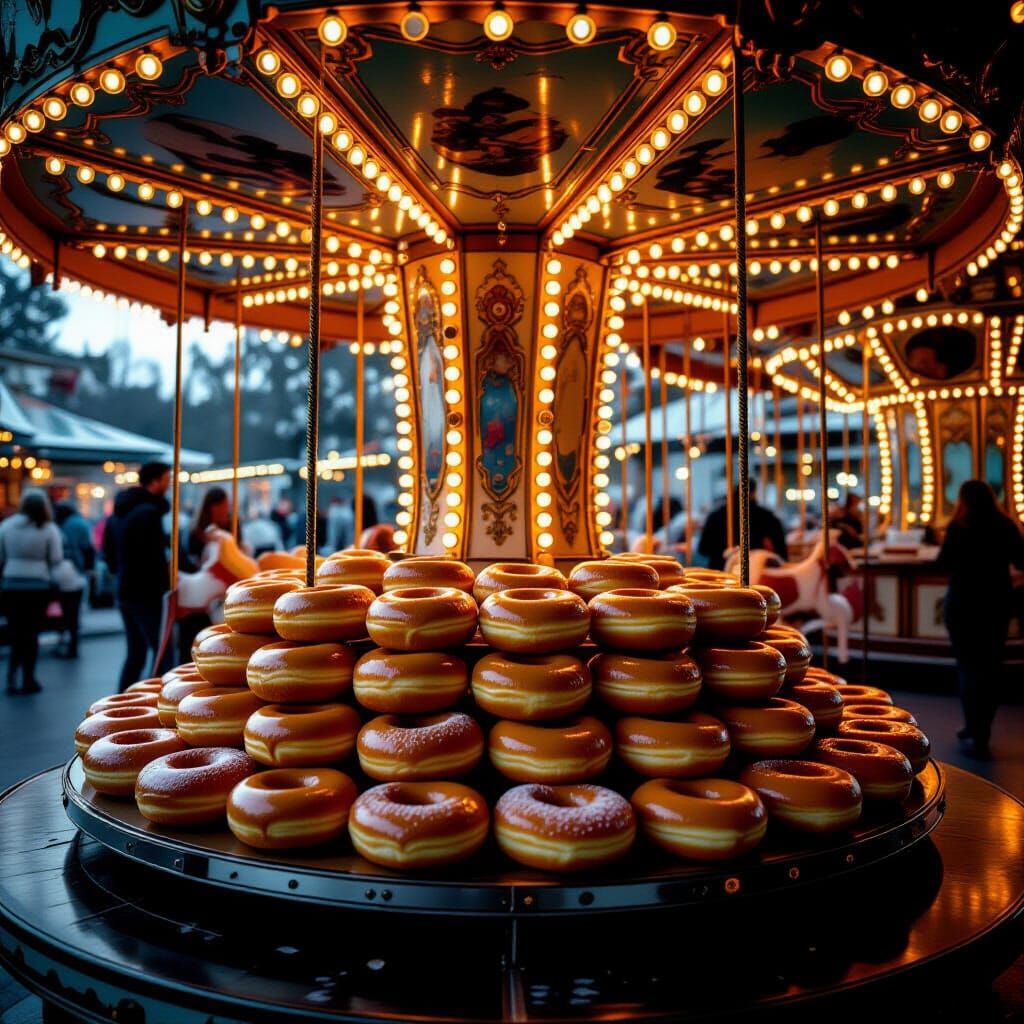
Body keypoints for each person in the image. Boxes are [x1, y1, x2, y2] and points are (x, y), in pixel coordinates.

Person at [939, 480, 1024, 759]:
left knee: (968, 667)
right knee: (990, 667)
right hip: (996, 604)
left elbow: (942, 564)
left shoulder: (958, 527)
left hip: (963, 603)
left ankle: (973, 727)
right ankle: (982, 728)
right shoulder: (1005, 525)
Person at [103, 461, 172, 691]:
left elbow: (109, 552)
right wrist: (167, 581)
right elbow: (155, 556)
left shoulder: (119, 513)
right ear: (154, 481)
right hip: (147, 591)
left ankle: (120, 703)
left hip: (125, 588)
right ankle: (158, 700)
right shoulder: (149, 514)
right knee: (163, 651)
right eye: (166, 479)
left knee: (135, 653)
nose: (169, 484)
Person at [0, 490, 63, 694]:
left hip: (11, 583)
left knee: (15, 632)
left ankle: (11, 676)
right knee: (31, 633)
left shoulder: (7, 526)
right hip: (38, 585)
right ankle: (29, 678)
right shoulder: (48, 528)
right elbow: (55, 558)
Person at [697, 480, 788, 570]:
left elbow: (703, 548)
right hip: (753, 572)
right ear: (753, 493)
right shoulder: (765, 516)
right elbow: (780, 548)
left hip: (718, 571)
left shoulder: (715, 515)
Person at [54, 500, 94, 658]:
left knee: (67, 610)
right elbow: (87, 547)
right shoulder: (79, 523)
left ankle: (69, 643)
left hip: (65, 569)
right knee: (74, 610)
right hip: (76, 570)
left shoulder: (62, 525)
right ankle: (72, 644)